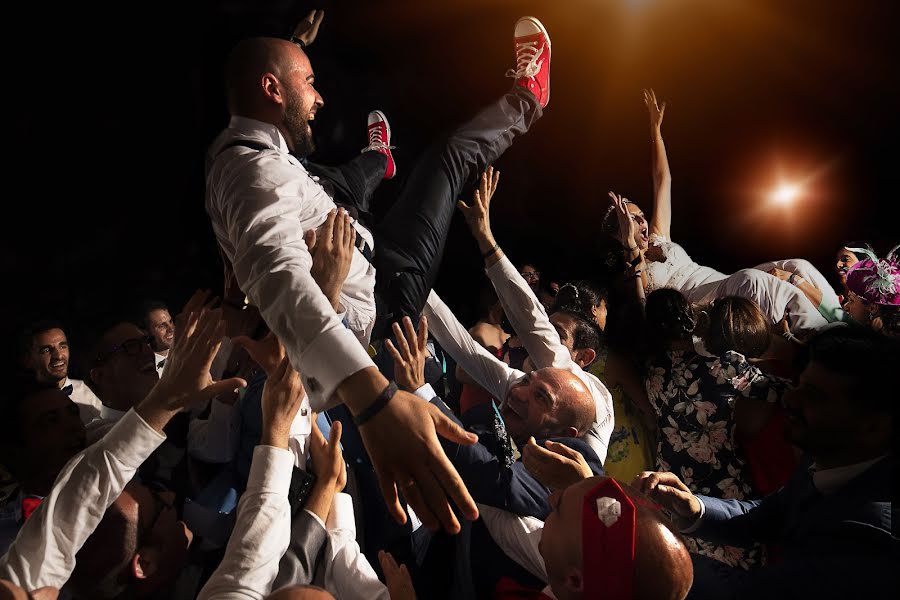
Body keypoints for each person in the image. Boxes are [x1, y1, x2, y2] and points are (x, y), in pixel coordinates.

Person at [205, 16, 552, 531]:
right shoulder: (253, 174)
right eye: (310, 82)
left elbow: (263, 85)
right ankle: (530, 97)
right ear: (274, 89)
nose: (319, 98)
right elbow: (279, 279)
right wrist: (372, 396)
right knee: (447, 159)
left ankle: (377, 159)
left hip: (361, 239)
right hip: (388, 296)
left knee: (333, 183)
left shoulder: (248, 152)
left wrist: (295, 46)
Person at [635, 326, 897, 598]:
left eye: (814, 395)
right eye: (798, 385)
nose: (789, 398)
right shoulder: (829, 458)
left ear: (875, 427)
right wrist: (694, 508)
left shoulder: (873, 531)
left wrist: (646, 552)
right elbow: (768, 515)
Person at [0, 309, 245, 597]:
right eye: (50, 421)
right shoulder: (14, 543)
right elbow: (95, 474)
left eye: (71, 414)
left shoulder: (101, 443)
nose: (73, 427)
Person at [603, 89, 840, 334]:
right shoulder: (627, 274)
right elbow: (643, 308)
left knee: (795, 266)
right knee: (753, 280)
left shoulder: (658, 235)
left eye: (641, 214)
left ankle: (841, 323)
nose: (642, 219)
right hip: (702, 304)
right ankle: (817, 338)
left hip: (722, 280)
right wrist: (630, 244)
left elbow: (662, 179)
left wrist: (655, 130)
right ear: (617, 233)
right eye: (631, 218)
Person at [457, 168, 615, 462]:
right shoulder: (518, 379)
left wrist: (486, 240)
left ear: (583, 358)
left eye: (558, 336)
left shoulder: (597, 405)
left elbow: (531, 322)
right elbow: (462, 351)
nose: (520, 397)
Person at [644, 289, 792, 569]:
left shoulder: (654, 368)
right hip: (722, 494)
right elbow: (787, 393)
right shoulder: (727, 366)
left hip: (676, 494)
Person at [20, 320, 102, 423]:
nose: (58, 356)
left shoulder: (90, 394)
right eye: (46, 350)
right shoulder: (23, 406)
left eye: (62, 346)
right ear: (28, 360)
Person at [139, 300, 175, 376]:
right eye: (162, 326)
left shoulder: (186, 350)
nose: (171, 329)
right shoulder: (143, 365)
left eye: (170, 322)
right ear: (146, 332)